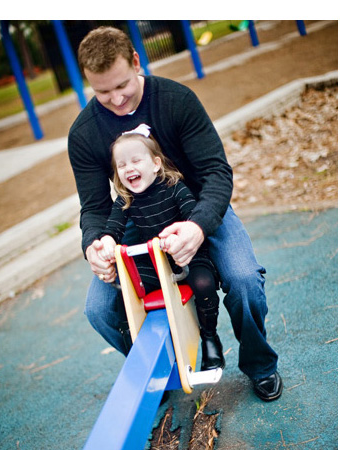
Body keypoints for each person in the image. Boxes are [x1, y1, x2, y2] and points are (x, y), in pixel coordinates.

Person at [69, 26, 282, 401]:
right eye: (102, 92)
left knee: (245, 279)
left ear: (136, 62)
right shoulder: (84, 133)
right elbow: (95, 207)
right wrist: (93, 245)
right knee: (98, 310)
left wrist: (198, 227)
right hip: (136, 220)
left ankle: (260, 364)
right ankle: (159, 370)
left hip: (197, 207)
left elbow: (217, 173)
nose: (116, 99)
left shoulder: (176, 100)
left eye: (122, 85)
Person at [97, 123, 225, 372]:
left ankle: (210, 337)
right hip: (155, 263)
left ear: (155, 164)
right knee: (127, 296)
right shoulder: (126, 199)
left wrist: (179, 237)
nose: (128, 168)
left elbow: (191, 216)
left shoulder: (174, 187)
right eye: (121, 165)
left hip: (184, 254)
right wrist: (107, 242)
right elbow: (113, 227)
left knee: (203, 284)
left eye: (135, 161)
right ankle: (141, 357)